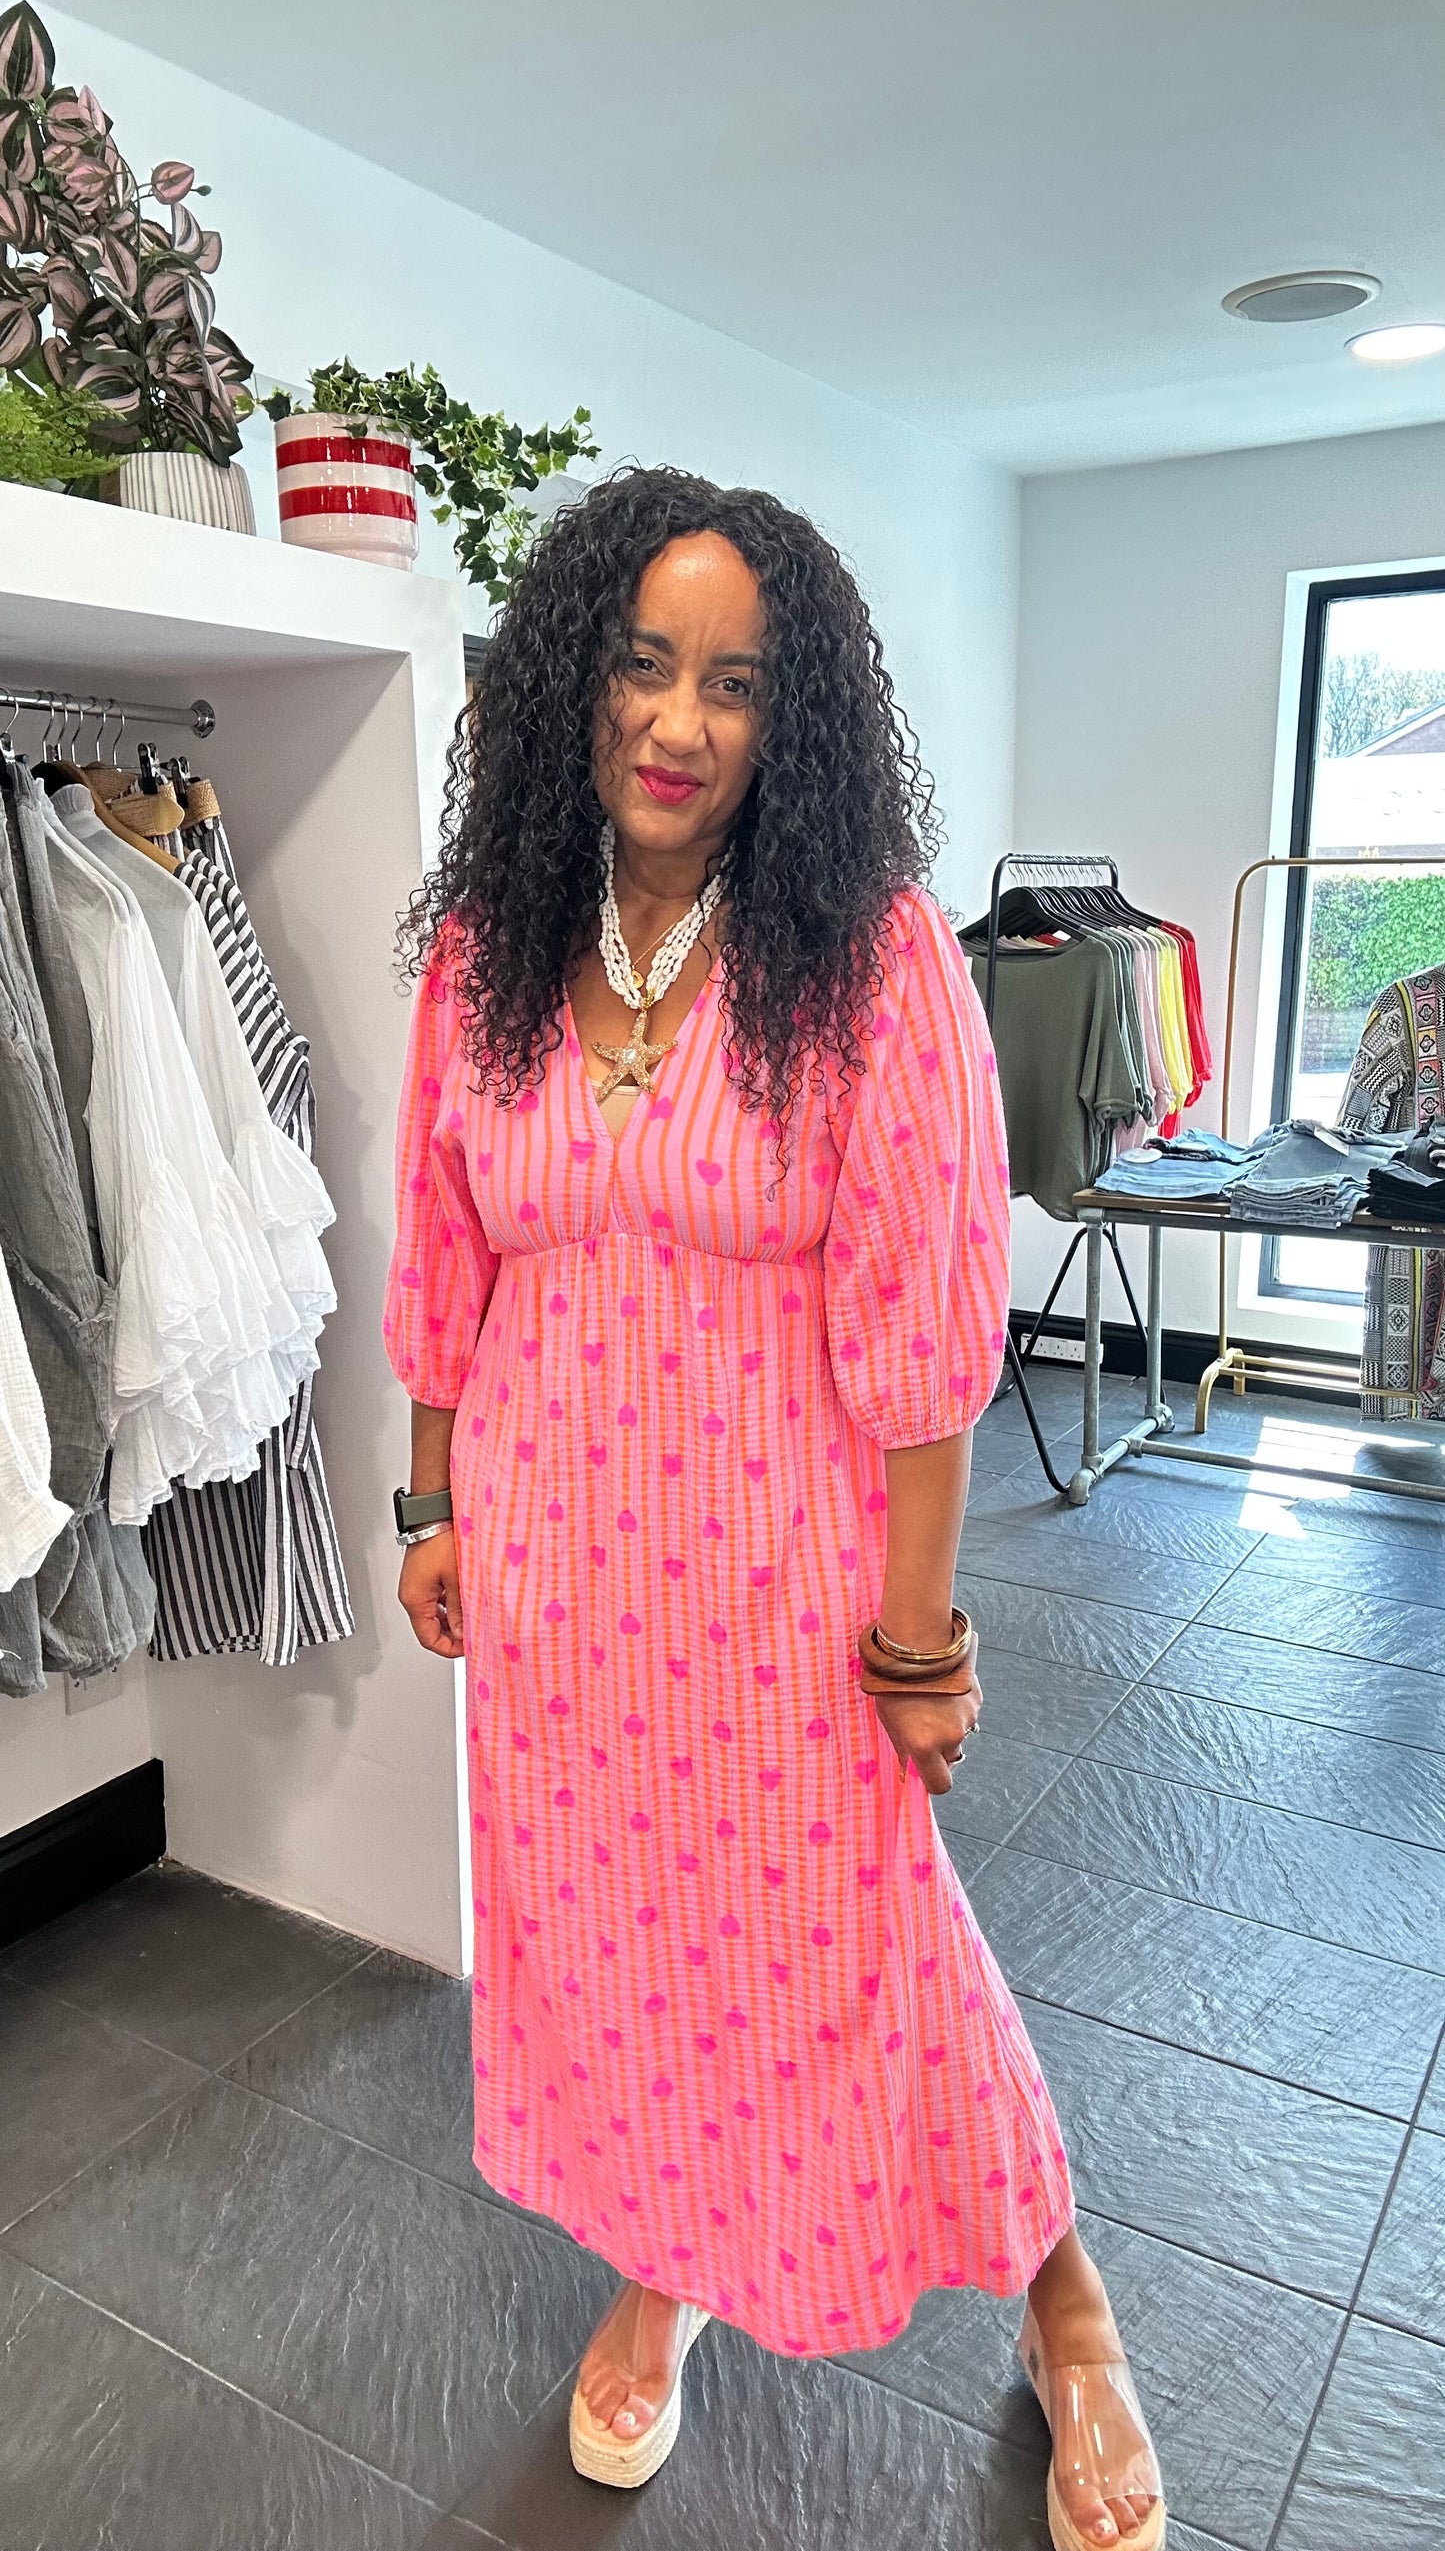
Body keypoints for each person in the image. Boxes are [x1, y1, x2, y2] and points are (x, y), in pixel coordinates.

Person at [384, 466, 1164, 2551]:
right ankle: (666, 2265)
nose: (678, 721)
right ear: (571, 679)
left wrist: (919, 1638)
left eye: (733, 684)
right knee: (621, 1947)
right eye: (641, 665)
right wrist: (428, 1499)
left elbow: (928, 1338)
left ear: (788, 720)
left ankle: (1066, 2306)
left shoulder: (868, 956)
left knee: (870, 1944)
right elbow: (446, 1244)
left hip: (779, 1585)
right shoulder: (488, 948)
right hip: (556, 1576)